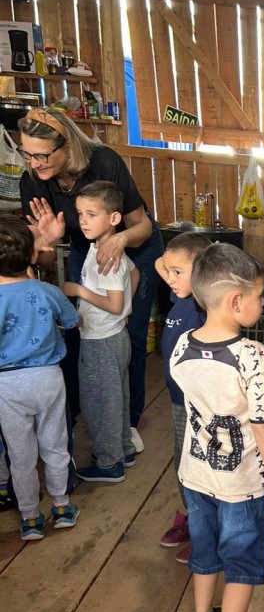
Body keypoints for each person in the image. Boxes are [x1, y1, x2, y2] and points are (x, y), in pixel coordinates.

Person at [170, 243, 264, 612]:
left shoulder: (183, 344)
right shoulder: (254, 357)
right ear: (236, 302)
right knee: (241, 561)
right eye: (258, 296)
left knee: (204, 546)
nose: (263, 302)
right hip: (241, 481)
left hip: (195, 473)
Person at [18, 107, 164, 447]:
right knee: (80, 332)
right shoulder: (32, 182)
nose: (34, 164)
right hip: (86, 250)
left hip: (136, 247)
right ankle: (82, 414)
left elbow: (141, 226)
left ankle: (126, 425)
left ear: (67, 145)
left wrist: (120, 239)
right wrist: (47, 242)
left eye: (42, 155)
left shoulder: (103, 162)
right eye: (27, 154)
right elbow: (41, 259)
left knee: (128, 335)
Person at [0, 214, 80, 540]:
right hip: (48, 378)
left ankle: (30, 518)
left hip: (7, 385)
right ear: (33, 255)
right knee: (55, 445)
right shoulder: (47, 291)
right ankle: (61, 507)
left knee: (20, 455)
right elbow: (73, 321)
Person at [63, 181, 138, 483]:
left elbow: (114, 303)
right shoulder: (107, 249)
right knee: (116, 397)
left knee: (100, 404)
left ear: (114, 218)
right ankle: (124, 450)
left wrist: (78, 290)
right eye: (80, 213)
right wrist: (126, 310)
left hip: (100, 342)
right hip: (115, 336)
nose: (83, 221)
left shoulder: (103, 258)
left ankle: (109, 464)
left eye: (91, 214)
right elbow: (134, 273)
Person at [154, 231, 211, 563]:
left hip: (200, 403)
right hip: (178, 402)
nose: (170, 278)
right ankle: (194, 516)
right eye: (170, 272)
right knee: (183, 464)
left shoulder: (204, 304)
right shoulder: (179, 296)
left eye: (178, 272)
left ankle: (206, 530)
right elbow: (160, 263)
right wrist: (174, 266)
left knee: (200, 465)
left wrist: (207, 262)